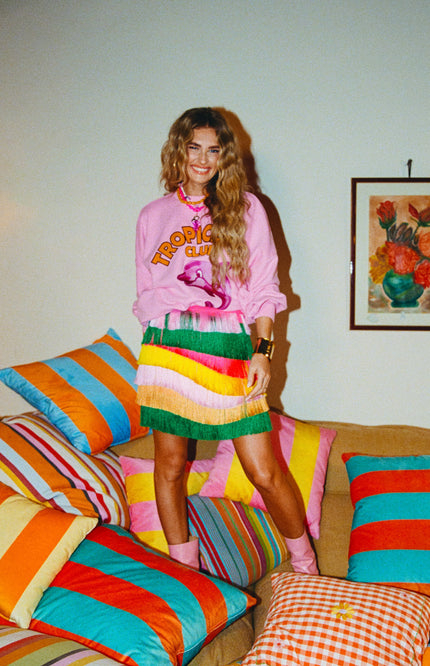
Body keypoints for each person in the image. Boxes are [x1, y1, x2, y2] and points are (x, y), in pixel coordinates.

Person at [133, 107, 318, 574]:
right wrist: (156, 351)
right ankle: (187, 574)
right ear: (178, 151)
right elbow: (147, 293)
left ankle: (306, 569)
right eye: (193, 147)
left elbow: (265, 288)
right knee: (170, 466)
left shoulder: (247, 208)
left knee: (263, 470)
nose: (202, 159)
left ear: (225, 157)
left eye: (213, 150)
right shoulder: (153, 215)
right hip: (168, 343)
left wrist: (263, 351)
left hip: (228, 344)